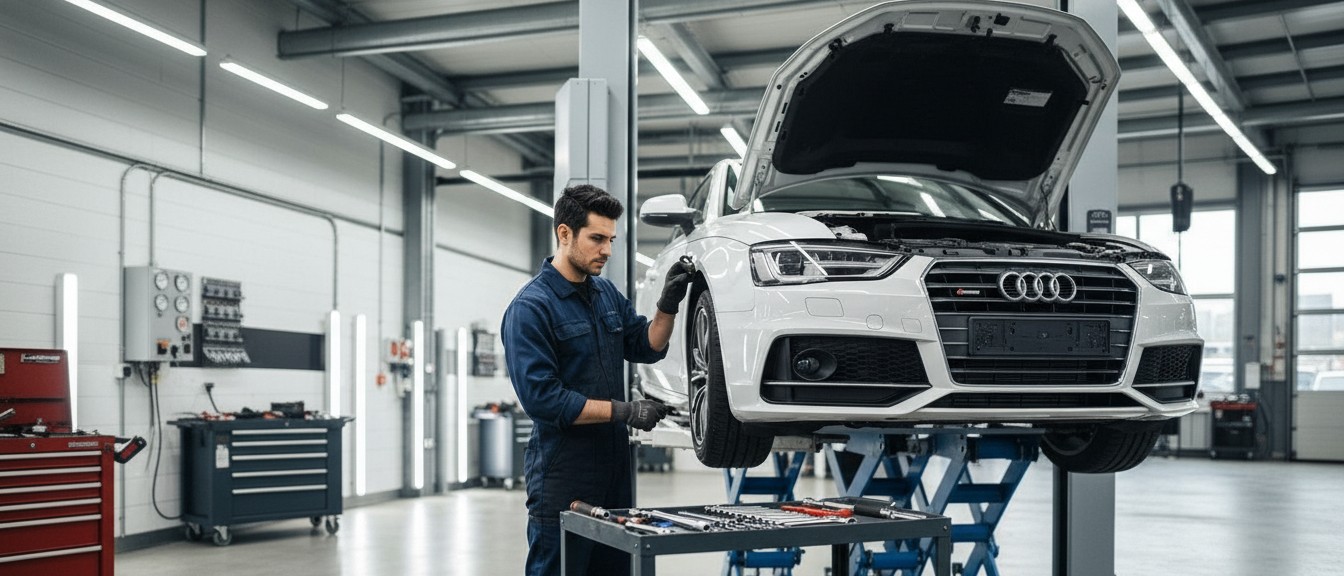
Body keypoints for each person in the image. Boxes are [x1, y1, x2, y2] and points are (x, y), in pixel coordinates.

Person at [501, 184, 695, 576]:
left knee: (615, 569)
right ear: (564, 234)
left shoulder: (605, 294)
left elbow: (647, 345)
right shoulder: (530, 309)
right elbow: (544, 400)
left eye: (610, 239)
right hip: (562, 470)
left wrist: (667, 305)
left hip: (613, 466)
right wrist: (625, 411)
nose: (607, 249)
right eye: (597, 238)